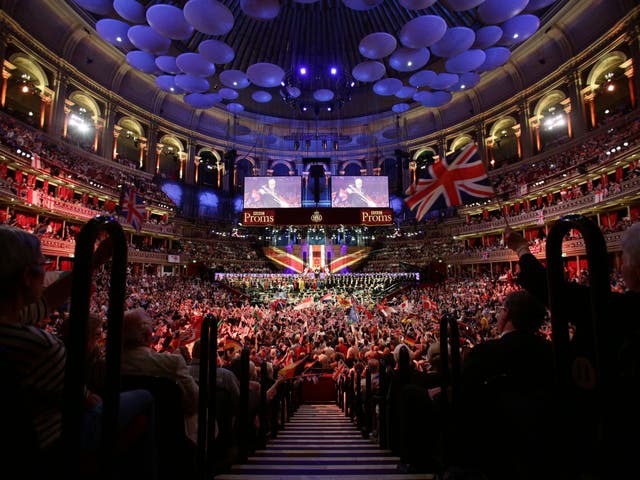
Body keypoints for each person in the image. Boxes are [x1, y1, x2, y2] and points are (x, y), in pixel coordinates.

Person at [0, 226, 156, 479]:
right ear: (27, 276)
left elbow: (46, 302)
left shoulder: (11, 318)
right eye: (44, 264)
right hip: (55, 444)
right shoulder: (42, 346)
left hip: (18, 447)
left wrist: (93, 261)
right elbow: (87, 401)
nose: (48, 271)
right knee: (144, 399)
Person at [505, 222, 640, 477]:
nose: (622, 266)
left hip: (609, 437)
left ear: (637, 269)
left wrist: (522, 248)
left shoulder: (618, 310)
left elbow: (554, 291)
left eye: (625, 260)